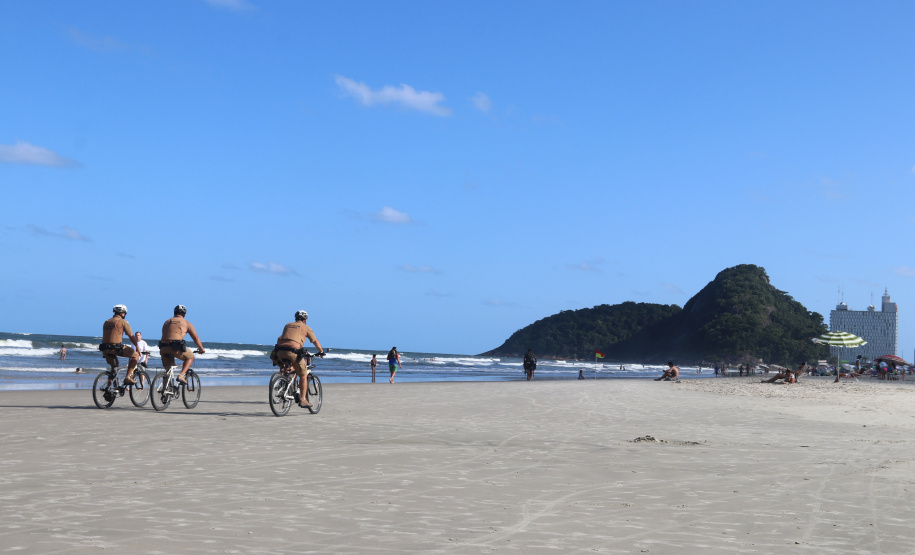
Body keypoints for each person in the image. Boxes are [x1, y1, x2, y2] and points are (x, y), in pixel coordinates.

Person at [270, 310, 324, 408]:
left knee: (288, 367)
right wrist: (321, 351)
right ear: (305, 320)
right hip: (293, 352)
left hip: (279, 352)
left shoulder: (287, 325)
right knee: (303, 374)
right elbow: (315, 341)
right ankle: (303, 399)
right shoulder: (305, 327)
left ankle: (285, 383)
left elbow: (281, 337)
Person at [158, 305, 205, 386]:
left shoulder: (167, 322)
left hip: (163, 348)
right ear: (184, 314)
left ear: (174, 313)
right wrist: (201, 348)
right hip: (175, 347)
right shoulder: (186, 323)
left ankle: (165, 391)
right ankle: (181, 375)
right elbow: (195, 337)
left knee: (168, 370)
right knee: (190, 357)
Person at [98, 304, 140, 384]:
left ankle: (109, 388)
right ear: (122, 313)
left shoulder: (106, 322)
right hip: (116, 348)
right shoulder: (122, 321)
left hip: (105, 349)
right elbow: (131, 336)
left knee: (114, 368)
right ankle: (127, 377)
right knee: (135, 355)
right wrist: (137, 347)